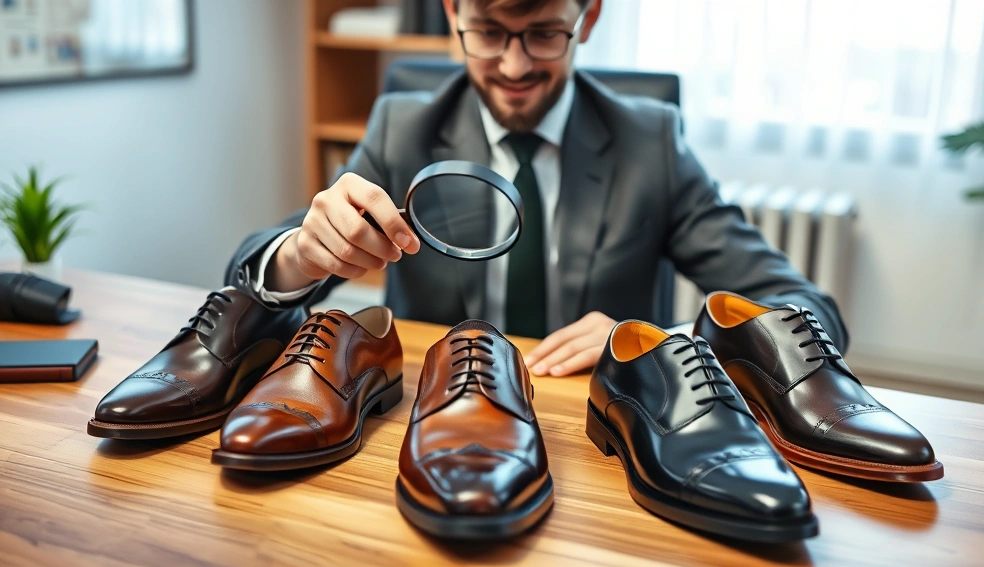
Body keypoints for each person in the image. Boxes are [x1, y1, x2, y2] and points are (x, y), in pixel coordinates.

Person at [226, 0, 848, 377]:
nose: (515, 68)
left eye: (545, 34)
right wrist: (300, 257)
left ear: (589, 17)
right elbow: (245, 283)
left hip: (601, 431)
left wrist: (661, 343)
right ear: (452, 14)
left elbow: (807, 313)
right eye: (490, 33)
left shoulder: (650, 144)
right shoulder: (402, 129)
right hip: (435, 418)